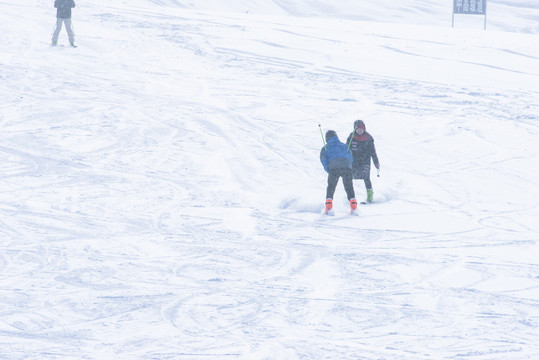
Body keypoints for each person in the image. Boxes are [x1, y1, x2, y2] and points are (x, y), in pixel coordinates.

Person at [320, 130, 357, 214]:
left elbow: (323, 160)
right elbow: (350, 158)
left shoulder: (325, 148)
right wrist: (348, 166)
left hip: (334, 168)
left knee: (331, 187)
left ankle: (328, 208)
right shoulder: (344, 146)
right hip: (346, 167)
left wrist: (328, 169)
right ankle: (354, 207)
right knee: (349, 187)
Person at [346, 120, 380, 203]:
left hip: (365, 161)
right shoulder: (351, 137)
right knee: (350, 177)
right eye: (357, 129)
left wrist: (376, 162)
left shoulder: (368, 138)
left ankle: (370, 196)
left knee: (366, 177)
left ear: (364, 128)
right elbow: (346, 149)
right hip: (354, 161)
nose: (359, 130)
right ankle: (350, 197)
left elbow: (373, 151)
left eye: (361, 128)